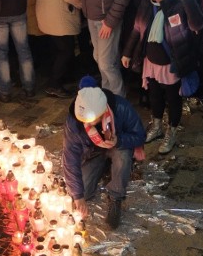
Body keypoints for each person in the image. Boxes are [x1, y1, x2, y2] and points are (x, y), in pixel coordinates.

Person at [122, 0, 203, 154]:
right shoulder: (147, 0)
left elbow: (198, 24)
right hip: (150, 61)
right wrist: (127, 52)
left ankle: (172, 131)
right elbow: (137, 27)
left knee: (172, 98)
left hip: (172, 62)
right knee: (154, 96)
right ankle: (157, 126)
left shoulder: (179, 2)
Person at [62, 78, 145, 229]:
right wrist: (78, 196)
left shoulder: (120, 107)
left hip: (118, 146)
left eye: (93, 120)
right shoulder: (74, 121)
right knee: (82, 192)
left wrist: (119, 140)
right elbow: (70, 158)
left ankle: (116, 197)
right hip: (94, 153)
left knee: (122, 158)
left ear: (103, 111)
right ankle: (104, 166)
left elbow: (139, 135)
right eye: (84, 121)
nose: (88, 124)